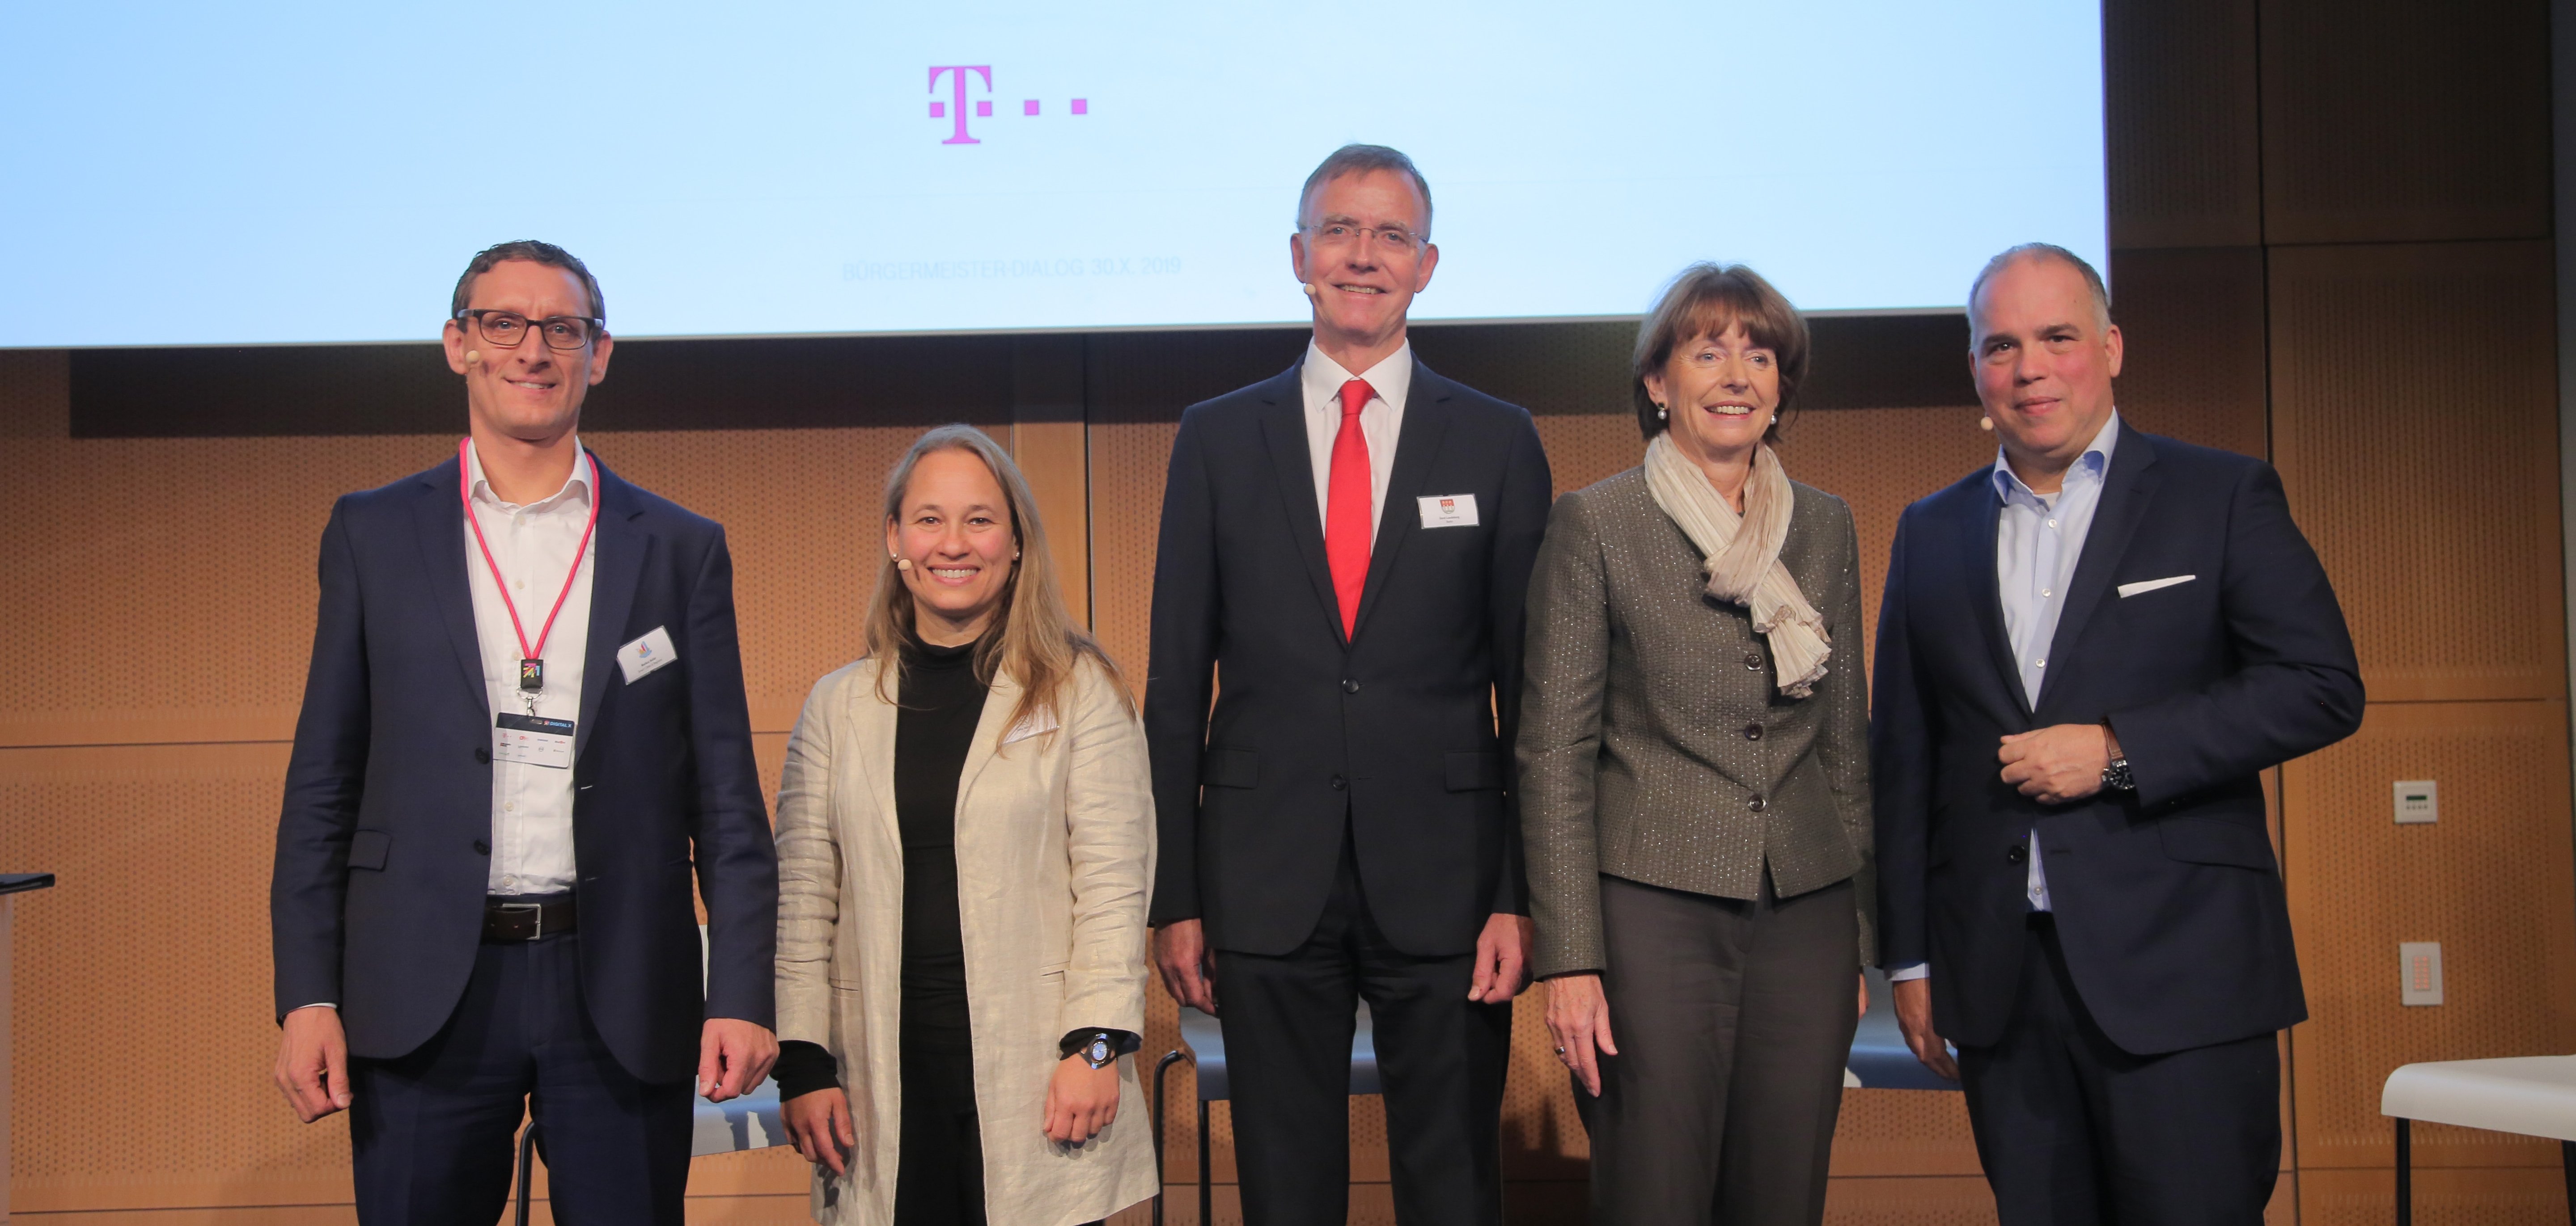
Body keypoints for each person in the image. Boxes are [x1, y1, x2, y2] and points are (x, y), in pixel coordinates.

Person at [269, 240, 779, 1224]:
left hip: (620, 984)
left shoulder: (678, 547)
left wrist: (743, 992)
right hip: (422, 990)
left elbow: (726, 798)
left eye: (563, 328)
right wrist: (307, 995)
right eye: (503, 323)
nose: (532, 349)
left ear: (602, 353)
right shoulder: (373, 533)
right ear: (458, 343)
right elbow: (323, 783)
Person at [1872, 244, 2364, 1224]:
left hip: (2183, 975)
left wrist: (2120, 749)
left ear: (2112, 347)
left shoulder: (2220, 495)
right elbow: (1905, 757)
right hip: (2002, 985)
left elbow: (2320, 686)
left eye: (2057, 337)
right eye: (2001, 345)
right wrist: (1911, 962)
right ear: (1976, 369)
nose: (2030, 368)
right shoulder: (1930, 529)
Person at [1144, 143, 1552, 1226]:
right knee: (1284, 1188)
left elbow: (1537, 697)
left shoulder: (1500, 442)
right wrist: (1175, 897)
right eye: (1339, 231)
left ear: (1428, 265)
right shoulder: (1218, 438)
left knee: (1454, 1182)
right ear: (1297, 256)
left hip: (1455, 882)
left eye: (1390, 236)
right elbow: (1177, 684)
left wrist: (1521, 892)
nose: (1362, 256)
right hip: (1264, 879)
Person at [1518, 263, 1873, 1225]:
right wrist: (1571, 960)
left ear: (1782, 387)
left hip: (1804, 907)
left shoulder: (1828, 526)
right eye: (1707, 350)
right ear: (1657, 382)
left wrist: (1859, 935)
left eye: (1760, 355)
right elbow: (1552, 754)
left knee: (1784, 1189)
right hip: (1651, 912)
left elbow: (1845, 744)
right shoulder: (1598, 521)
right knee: (1655, 1193)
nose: (1736, 374)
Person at [771, 425, 1159, 1226]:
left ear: (1016, 543)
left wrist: (1095, 1048)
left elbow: (1116, 888)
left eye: (980, 520)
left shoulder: (1080, 690)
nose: (955, 543)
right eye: (930, 519)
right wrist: (804, 1063)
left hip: (1041, 1068)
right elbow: (804, 898)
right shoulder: (836, 705)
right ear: (896, 539)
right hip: (878, 1079)